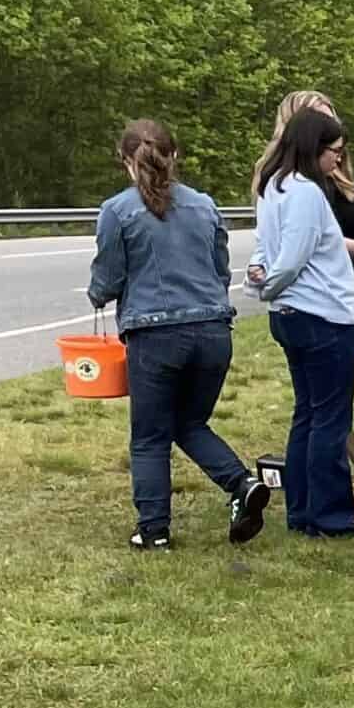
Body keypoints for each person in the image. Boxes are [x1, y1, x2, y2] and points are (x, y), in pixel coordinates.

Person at [88, 119, 271, 550]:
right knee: (189, 422)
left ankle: (153, 530)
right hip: (212, 330)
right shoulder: (205, 205)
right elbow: (220, 270)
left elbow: (108, 279)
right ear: (176, 156)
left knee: (150, 434)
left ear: (125, 162)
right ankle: (242, 484)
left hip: (155, 336)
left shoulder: (118, 210)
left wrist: (98, 296)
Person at [252, 90, 354, 508]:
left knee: (309, 416)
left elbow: (272, 247)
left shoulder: (275, 185)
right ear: (312, 146)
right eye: (334, 150)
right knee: (330, 420)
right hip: (319, 314)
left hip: (294, 313)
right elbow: (293, 256)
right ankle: (332, 515)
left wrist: (266, 284)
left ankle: (302, 510)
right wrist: (270, 286)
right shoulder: (306, 192)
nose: (338, 158)